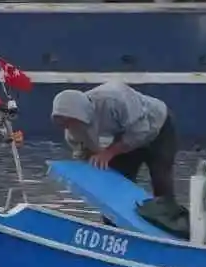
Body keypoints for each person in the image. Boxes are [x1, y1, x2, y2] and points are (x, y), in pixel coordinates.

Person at [51, 81, 179, 199]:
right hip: (124, 135)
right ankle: (114, 221)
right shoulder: (73, 131)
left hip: (157, 127)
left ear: (81, 114)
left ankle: (167, 217)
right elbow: (84, 153)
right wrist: (90, 166)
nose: (68, 127)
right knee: (116, 181)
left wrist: (109, 152)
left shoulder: (115, 99)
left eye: (70, 122)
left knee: (161, 179)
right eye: (63, 124)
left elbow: (140, 131)